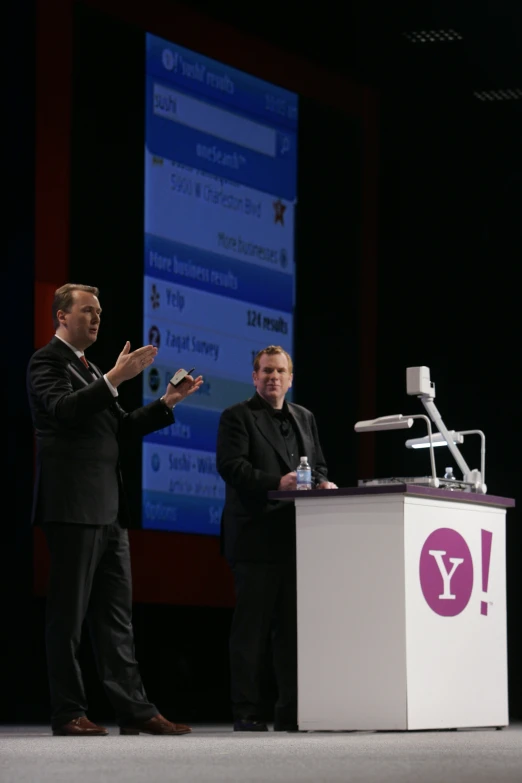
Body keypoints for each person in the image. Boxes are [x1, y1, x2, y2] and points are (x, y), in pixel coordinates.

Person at [26, 283, 203, 737]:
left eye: (100, 311)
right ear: (62, 317)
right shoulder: (47, 362)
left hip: (109, 511)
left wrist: (166, 403)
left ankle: (135, 710)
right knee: (67, 617)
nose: (97, 317)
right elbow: (63, 411)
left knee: (116, 619)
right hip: (72, 508)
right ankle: (68, 712)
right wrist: (114, 379)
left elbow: (119, 428)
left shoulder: (90, 370)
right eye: (88, 310)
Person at [216, 345, 337, 732]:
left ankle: (291, 710)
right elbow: (231, 467)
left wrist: (321, 482)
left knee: (292, 630)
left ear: (290, 378)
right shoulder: (237, 416)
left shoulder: (305, 417)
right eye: (266, 371)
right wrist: (276, 484)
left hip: (296, 538)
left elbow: (316, 464)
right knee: (251, 631)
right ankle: (247, 711)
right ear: (254, 377)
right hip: (254, 536)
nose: (273, 377)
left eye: (280, 371)